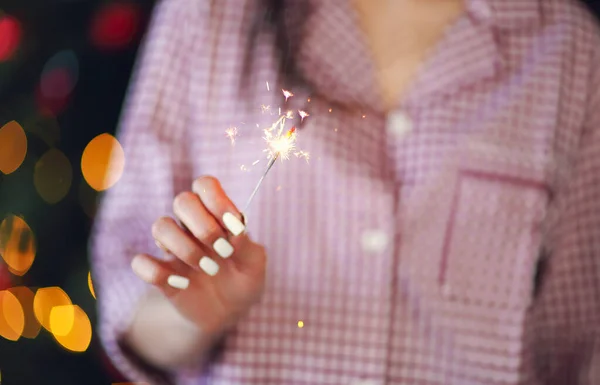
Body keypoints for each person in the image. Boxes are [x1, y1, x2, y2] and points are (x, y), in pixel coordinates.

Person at [90, 0, 600, 384]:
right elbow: (126, 302)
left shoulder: (570, 53)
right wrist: (192, 316)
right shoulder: (210, 16)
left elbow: (578, 349)